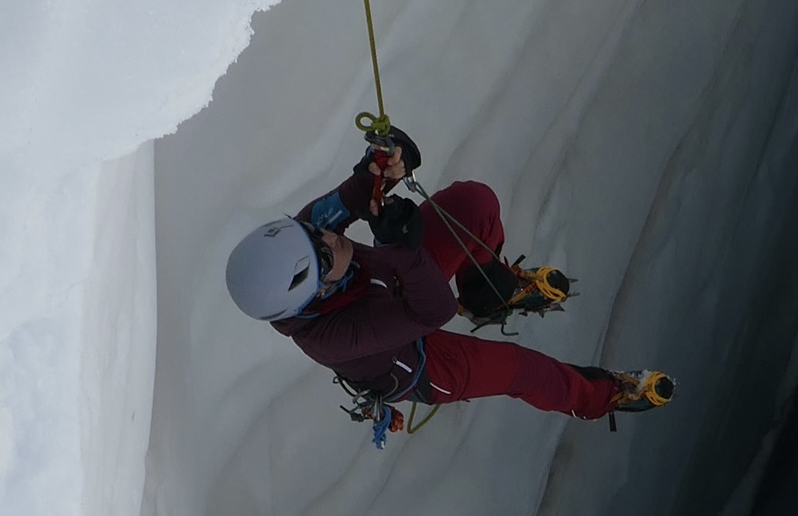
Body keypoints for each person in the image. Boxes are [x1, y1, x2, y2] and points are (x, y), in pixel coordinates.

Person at [224, 135, 672, 429]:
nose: (330, 239)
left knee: (473, 205)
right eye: (323, 254)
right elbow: (431, 312)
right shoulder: (332, 338)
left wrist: (385, 165)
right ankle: (602, 396)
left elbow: (354, 195)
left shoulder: (304, 244)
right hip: (418, 362)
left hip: (399, 283)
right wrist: (403, 251)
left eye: (313, 231)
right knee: (522, 369)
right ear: (315, 293)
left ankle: (489, 296)